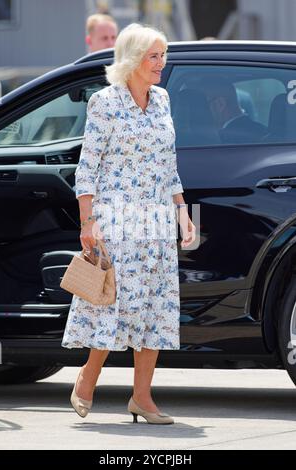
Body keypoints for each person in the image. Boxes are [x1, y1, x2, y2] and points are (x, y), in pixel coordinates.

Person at [61, 22, 196, 424]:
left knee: (154, 308)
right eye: (154, 56)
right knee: (112, 304)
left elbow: (168, 165)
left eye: (163, 54)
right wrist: (88, 222)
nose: (161, 63)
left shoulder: (163, 100)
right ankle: (88, 376)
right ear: (134, 59)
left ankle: (142, 398)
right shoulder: (105, 102)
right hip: (116, 221)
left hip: (154, 223)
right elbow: (88, 167)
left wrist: (182, 213)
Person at [199, 76, 268, 144]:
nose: (199, 111)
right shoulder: (265, 132)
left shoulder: (217, 141)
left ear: (220, 104)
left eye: (203, 104)